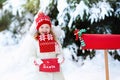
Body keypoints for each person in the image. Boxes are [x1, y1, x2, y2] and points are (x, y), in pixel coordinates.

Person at [29, 11, 65, 80]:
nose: (44, 29)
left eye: (47, 27)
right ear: (38, 28)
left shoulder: (54, 40)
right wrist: (35, 60)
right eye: (42, 27)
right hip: (42, 72)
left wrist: (60, 57)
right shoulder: (35, 41)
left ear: (50, 28)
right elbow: (31, 55)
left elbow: (59, 52)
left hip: (55, 71)